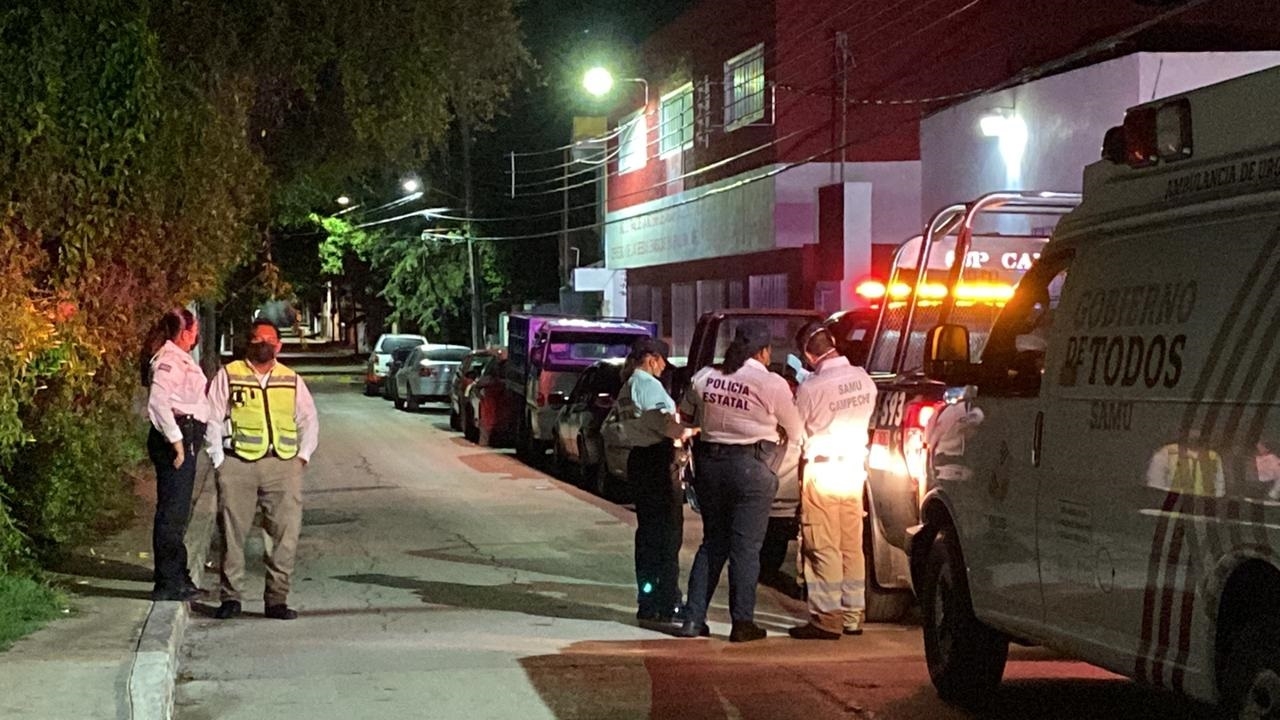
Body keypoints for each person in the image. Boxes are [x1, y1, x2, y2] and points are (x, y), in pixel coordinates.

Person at [677, 321, 804, 642]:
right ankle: (742, 622)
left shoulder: (706, 377)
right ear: (763, 351)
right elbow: (797, 431)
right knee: (746, 549)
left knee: (712, 543)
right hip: (750, 468)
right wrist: (772, 466)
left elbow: (685, 417)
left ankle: (693, 620)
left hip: (709, 467)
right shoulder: (771, 383)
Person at [206, 319, 319, 620]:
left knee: (285, 535)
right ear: (248, 343)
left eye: (269, 339)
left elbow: (308, 420)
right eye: (257, 339)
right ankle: (231, 598)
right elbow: (212, 418)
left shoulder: (291, 379)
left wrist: (302, 457)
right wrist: (218, 460)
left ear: (279, 346)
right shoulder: (229, 375)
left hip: (282, 465)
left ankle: (277, 600)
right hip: (237, 463)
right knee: (232, 533)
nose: (263, 344)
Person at [786, 322, 877, 640]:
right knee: (851, 544)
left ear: (808, 355)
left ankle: (826, 618)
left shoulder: (812, 387)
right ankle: (853, 615)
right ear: (834, 343)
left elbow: (796, 431)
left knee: (822, 544)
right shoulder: (864, 380)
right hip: (853, 470)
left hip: (822, 470)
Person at [614, 338, 698, 625]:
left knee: (648, 534)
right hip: (658, 462)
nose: (664, 368)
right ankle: (668, 602)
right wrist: (690, 430)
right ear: (651, 358)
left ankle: (647, 599)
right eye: (662, 361)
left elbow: (609, 429)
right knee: (668, 534)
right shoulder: (649, 386)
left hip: (640, 461)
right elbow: (665, 423)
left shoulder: (627, 388)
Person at [141, 307, 209, 602]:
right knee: (172, 512)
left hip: (186, 435)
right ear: (186, 333)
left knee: (178, 512)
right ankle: (168, 582)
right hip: (177, 438)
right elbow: (158, 402)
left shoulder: (179, 358)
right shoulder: (170, 360)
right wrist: (177, 441)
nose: (196, 336)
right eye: (194, 331)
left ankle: (177, 575)